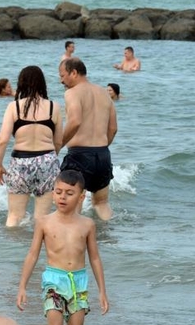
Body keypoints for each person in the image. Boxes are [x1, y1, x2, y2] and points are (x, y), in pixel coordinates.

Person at [16, 170, 110, 325]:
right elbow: (32, 254)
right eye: (58, 192)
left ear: (81, 197)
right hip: (53, 280)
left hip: (78, 282)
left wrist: (102, 291)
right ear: (53, 194)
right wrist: (22, 286)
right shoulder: (44, 222)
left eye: (69, 193)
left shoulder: (87, 224)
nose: (62, 197)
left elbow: (95, 258)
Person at [0, 65, 63, 227]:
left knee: (14, 216)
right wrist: (50, 159)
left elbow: (2, 140)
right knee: (42, 218)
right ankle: (39, 250)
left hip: (20, 162)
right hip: (47, 160)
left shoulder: (14, 107)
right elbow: (58, 141)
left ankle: (11, 249)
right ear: (42, 84)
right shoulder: (54, 107)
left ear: (21, 83)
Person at [58, 58, 118, 220]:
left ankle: (72, 241)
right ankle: (107, 237)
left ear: (74, 73)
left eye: (62, 75)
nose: (61, 80)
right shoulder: (105, 94)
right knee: (101, 203)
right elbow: (113, 128)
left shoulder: (72, 93)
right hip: (103, 155)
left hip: (79, 156)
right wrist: (100, 147)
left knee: (72, 206)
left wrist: (58, 145)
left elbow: (75, 121)